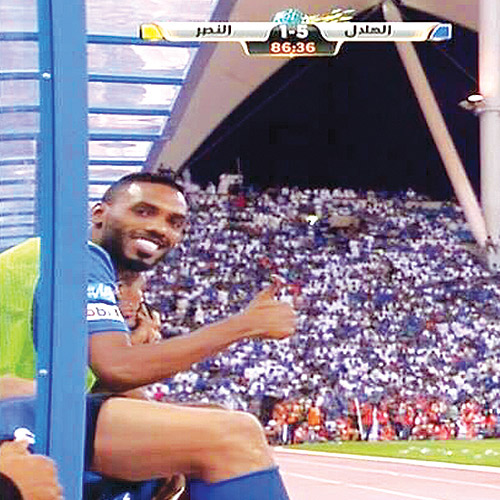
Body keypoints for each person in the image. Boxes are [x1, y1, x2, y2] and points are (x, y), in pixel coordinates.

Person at [0, 173, 296, 500]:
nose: (160, 228)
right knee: (235, 435)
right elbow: (118, 367)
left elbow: (112, 385)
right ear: (99, 214)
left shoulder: (64, 267)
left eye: (175, 222)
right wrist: (246, 324)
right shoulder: (74, 254)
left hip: (31, 407)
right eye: (144, 211)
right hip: (17, 409)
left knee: (211, 416)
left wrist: (132, 349)